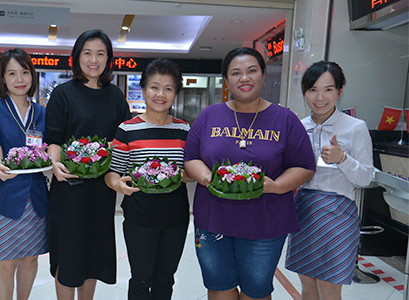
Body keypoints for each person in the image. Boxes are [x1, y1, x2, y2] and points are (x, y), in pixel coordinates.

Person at [183, 47, 316, 300]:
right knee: (219, 286)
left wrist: (276, 186)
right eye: (236, 73)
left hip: (266, 220)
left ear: (263, 75)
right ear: (227, 81)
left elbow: (304, 165)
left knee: (256, 290)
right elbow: (191, 158)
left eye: (251, 71)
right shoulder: (209, 116)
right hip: (213, 219)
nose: (244, 78)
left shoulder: (285, 119)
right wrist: (207, 177)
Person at [45, 29, 131, 300]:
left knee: (93, 255)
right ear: (77, 56)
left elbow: (123, 139)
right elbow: (54, 138)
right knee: (67, 256)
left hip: (101, 190)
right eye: (88, 53)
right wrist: (55, 164)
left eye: (101, 53)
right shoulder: (62, 94)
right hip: (68, 189)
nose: (94, 59)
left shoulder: (115, 95)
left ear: (108, 59)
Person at [285, 61, 374, 300]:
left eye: (328, 89)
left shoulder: (355, 127)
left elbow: (366, 177)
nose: (320, 97)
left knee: (330, 286)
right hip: (304, 209)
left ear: (340, 90)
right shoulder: (298, 127)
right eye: (313, 89)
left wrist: (342, 158)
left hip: (338, 212)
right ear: (304, 92)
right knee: (307, 284)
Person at [105, 58, 190, 300]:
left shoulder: (184, 130)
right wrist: (117, 184)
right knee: (141, 279)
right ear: (143, 90)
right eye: (154, 87)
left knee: (165, 279)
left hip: (176, 216)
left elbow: (191, 171)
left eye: (168, 88)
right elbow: (113, 173)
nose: (160, 94)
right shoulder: (127, 129)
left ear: (175, 94)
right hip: (139, 216)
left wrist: (186, 176)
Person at [0, 48, 48, 300]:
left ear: (32, 76)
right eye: (12, 73)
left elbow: (48, 151)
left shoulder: (41, 113)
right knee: (5, 263)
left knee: (30, 260)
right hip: (4, 198)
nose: (19, 79)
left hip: (37, 198)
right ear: (3, 78)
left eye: (24, 72)